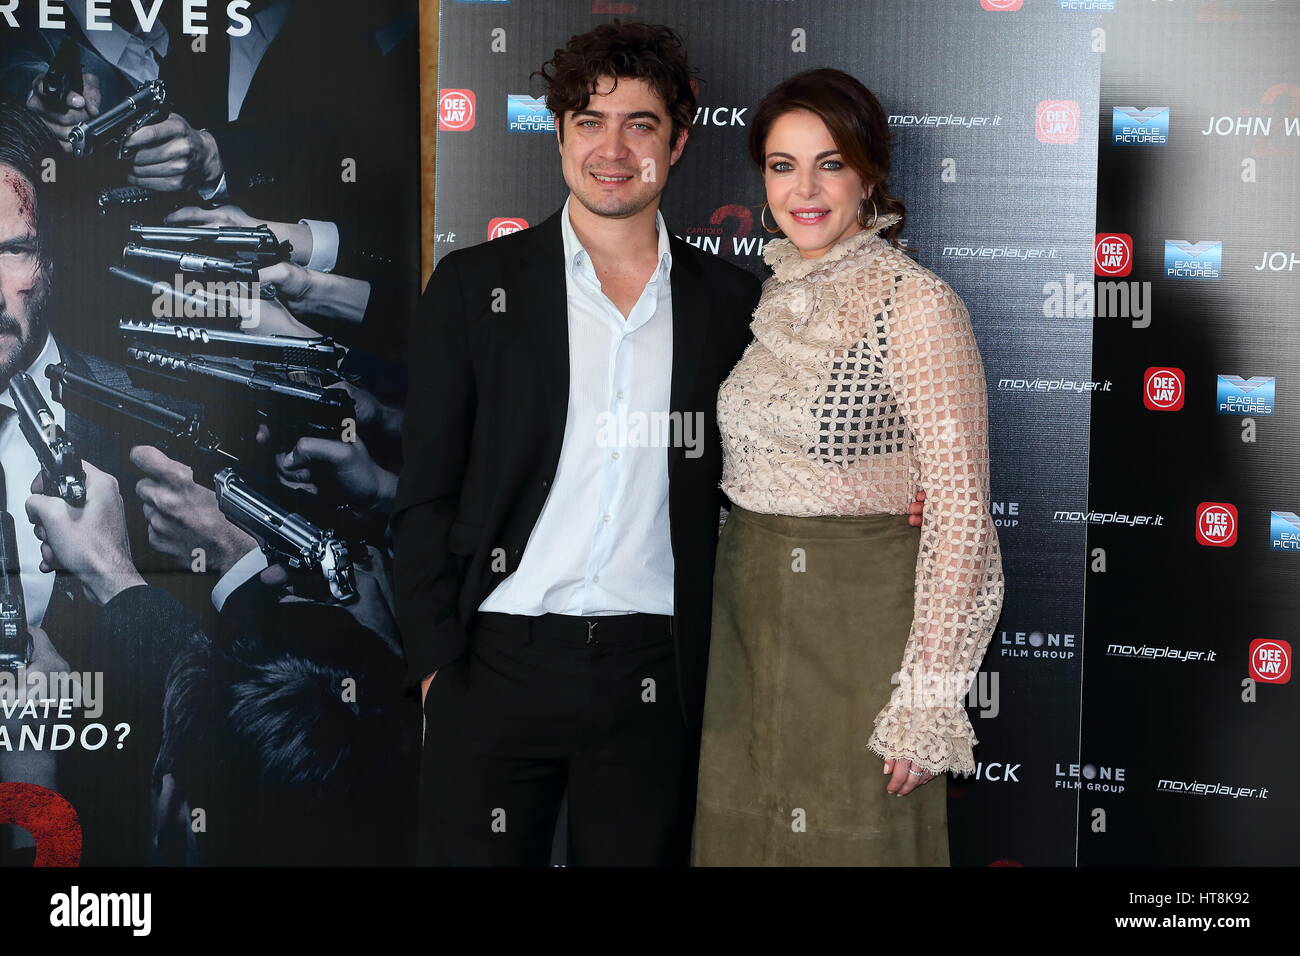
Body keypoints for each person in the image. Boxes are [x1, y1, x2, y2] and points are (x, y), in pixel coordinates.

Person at [393, 22, 928, 867]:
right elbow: (423, 491)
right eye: (589, 121)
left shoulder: (732, 303)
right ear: (559, 134)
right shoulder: (474, 287)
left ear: (678, 143)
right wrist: (436, 672)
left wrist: (897, 482)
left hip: (658, 673)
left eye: (639, 124)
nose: (613, 149)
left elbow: (782, 437)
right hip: (495, 665)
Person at [691, 69, 1004, 866]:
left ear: (868, 175)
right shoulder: (770, 296)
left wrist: (927, 703)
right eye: (782, 164)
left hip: (860, 627)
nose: (805, 189)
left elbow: (963, 516)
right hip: (745, 621)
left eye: (829, 163)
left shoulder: (918, 305)